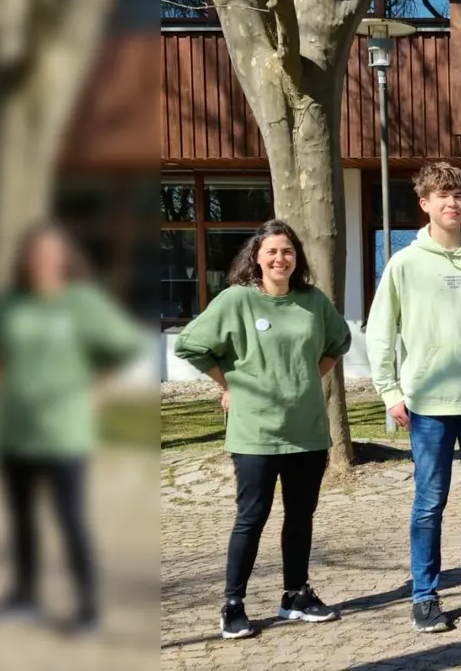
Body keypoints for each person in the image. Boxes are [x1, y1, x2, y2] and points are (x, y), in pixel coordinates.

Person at [174, 220, 351, 640]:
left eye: (287, 251)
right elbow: (190, 344)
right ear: (256, 256)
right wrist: (230, 383)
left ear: (297, 258)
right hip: (255, 434)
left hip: (307, 432)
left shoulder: (313, 302)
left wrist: (308, 376)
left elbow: (337, 343)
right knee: (251, 517)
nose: (279, 258)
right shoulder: (237, 300)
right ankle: (232, 604)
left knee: (300, 517)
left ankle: (295, 595)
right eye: (271, 251)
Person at [366, 162, 461, 633]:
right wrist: (390, 391)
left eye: (457, 195)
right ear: (425, 203)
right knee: (429, 504)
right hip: (428, 407)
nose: (452, 203)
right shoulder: (405, 263)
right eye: (441, 196)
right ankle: (426, 596)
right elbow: (379, 333)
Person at [0, 223, 145, 633]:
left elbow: (125, 345)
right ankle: (24, 596)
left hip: (65, 433)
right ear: (25, 259)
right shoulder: (9, 305)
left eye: (51, 252)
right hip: (17, 432)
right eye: (35, 253)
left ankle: (88, 607)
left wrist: (95, 391)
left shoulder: (83, 303)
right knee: (20, 520)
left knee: (70, 519)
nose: (42, 261)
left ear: (65, 258)